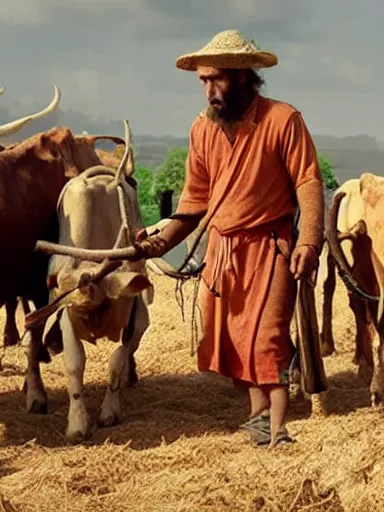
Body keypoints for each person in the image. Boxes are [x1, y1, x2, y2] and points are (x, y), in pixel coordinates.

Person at [135, 29, 324, 448]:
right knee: (232, 340)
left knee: (267, 337)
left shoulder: (282, 120)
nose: (208, 91)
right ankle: (257, 416)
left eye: (215, 79)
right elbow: (194, 200)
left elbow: (309, 184)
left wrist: (309, 242)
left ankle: (279, 431)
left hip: (270, 246)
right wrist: (157, 242)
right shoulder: (202, 131)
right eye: (203, 81)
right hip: (222, 252)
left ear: (242, 76)